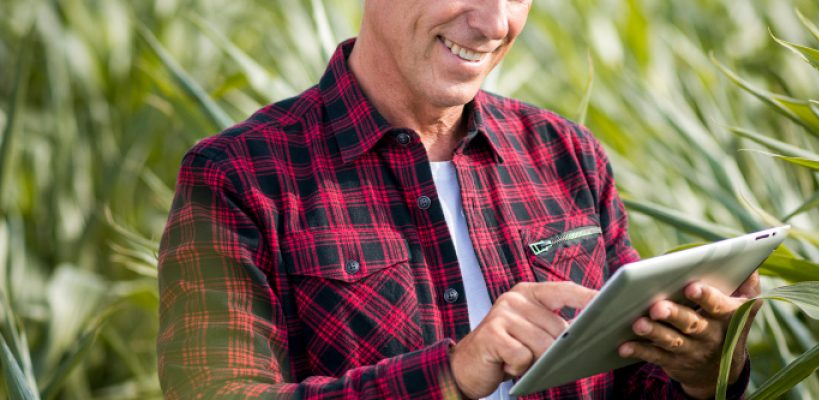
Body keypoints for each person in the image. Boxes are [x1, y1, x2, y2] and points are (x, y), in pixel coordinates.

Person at [156, 0, 758, 398]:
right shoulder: (237, 177)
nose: (495, 23)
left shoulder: (565, 154)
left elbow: (628, 383)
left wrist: (704, 370)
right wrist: (452, 374)